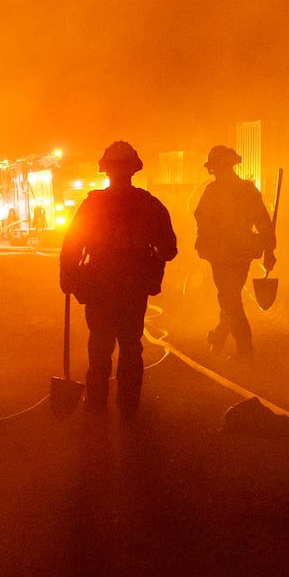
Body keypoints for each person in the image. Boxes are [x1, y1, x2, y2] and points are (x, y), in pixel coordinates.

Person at [59, 141, 178, 417]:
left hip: (99, 286)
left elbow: (72, 245)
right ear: (133, 170)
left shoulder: (92, 205)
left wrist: (67, 275)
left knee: (99, 345)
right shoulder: (150, 204)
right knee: (130, 345)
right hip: (134, 288)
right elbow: (169, 249)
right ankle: (128, 405)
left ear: (106, 171)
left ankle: (97, 404)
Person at [193, 144, 276, 356]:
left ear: (213, 168)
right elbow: (265, 224)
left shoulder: (212, 191)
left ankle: (245, 350)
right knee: (230, 297)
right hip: (241, 255)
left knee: (229, 299)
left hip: (221, 256)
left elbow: (200, 219)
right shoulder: (248, 191)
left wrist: (269, 251)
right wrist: (269, 252)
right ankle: (220, 335)